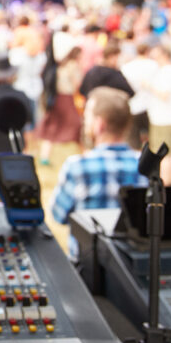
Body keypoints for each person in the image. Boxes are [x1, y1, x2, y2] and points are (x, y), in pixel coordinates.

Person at [50, 87, 148, 252]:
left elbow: (58, 215)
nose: (84, 120)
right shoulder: (144, 165)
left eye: (87, 116)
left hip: (85, 266)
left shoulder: (77, 166)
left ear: (99, 124)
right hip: (130, 266)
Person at [143, 45, 171, 183]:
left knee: (164, 154)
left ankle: (164, 183)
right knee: (170, 153)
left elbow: (164, 94)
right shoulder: (167, 71)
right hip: (167, 117)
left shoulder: (169, 72)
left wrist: (149, 86)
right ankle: (169, 180)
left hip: (164, 119)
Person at [38, 43, 84, 167]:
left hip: (55, 98)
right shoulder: (72, 65)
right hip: (66, 98)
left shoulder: (59, 65)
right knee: (76, 125)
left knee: (52, 127)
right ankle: (81, 155)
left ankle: (45, 156)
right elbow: (77, 83)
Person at [121, 42, 159, 149]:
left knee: (133, 139)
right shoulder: (154, 65)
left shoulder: (127, 67)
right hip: (150, 106)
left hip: (133, 106)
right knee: (151, 139)